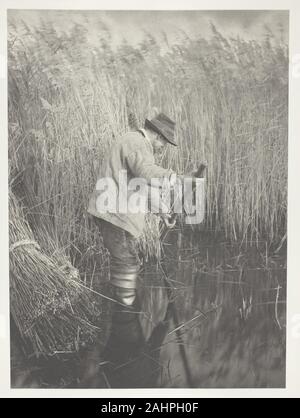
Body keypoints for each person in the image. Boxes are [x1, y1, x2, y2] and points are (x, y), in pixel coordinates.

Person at [87, 113, 178, 308]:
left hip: (116, 215)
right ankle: (124, 313)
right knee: (127, 262)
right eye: (165, 143)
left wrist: (162, 212)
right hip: (113, 215)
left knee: (126, 260)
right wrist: (170, 176)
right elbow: (146, 171)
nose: (163, 148)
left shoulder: (136, 144)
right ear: (158, 136)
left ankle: (116, 305)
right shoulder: (136, 143)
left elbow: (141, 184)